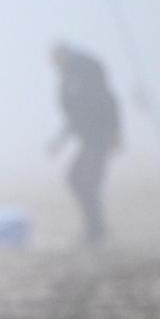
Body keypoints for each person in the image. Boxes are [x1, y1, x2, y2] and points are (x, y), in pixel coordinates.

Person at [47, 42, 122, 244]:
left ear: (62, 55)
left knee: (86, 181)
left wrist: (115, 132)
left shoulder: (84, 72)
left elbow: (107, 101)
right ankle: (95, 227)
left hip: (99, 137)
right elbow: (75, 117)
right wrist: (58, 142)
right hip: (89, 139)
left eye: (54, 59)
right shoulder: (68, 78)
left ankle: (96, 229)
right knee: (77, 179)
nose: (53, 64)